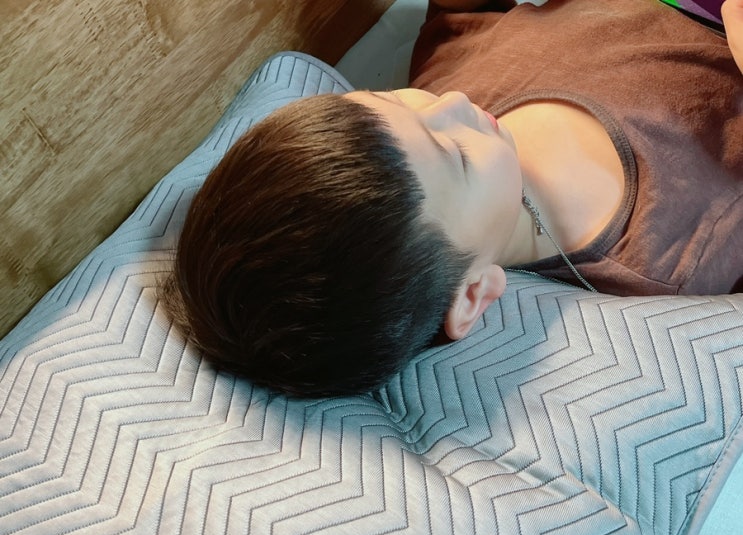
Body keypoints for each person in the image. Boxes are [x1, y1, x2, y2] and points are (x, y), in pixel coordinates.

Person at [161, 0, 743, 397]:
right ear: (471, 295)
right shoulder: (664, 264)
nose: (453, 103)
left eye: (392, 100)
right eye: (454, 154)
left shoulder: (446, 82)